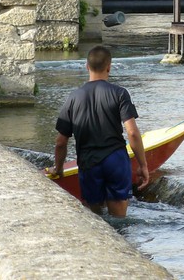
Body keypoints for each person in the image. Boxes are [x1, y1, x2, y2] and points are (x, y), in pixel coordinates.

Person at [46, 45, 149, 217]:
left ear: (87, 66)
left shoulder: (73, 97)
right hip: (115, 159)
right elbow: (132, 133)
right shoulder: (120, 93)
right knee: (119, 220)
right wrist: (143, 164)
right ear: (109, 67)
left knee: (95, 218)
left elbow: (60, 142)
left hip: (88, 162)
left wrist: (59, 168)